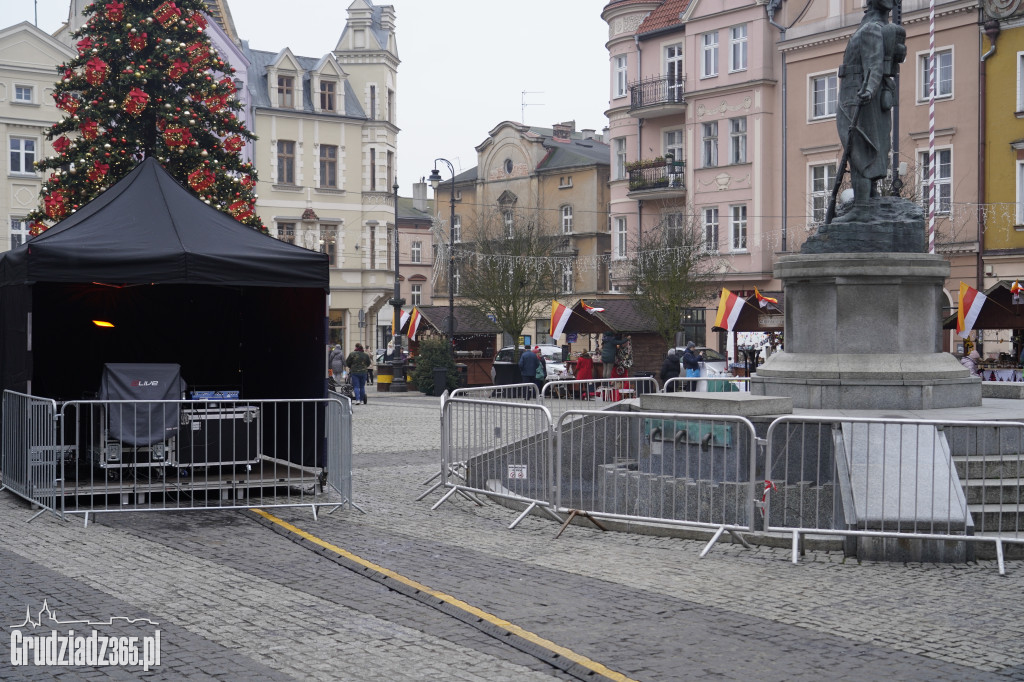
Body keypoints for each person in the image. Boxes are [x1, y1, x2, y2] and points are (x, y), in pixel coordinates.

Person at [832, 0, 906, 223]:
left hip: (857, 96)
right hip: (860, 95)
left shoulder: (870, 29)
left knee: (859, 150)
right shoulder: (873, 27)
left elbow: (873, 65)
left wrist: (869, 90)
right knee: (863, 148)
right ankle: (870, 199)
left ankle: (863, 208)